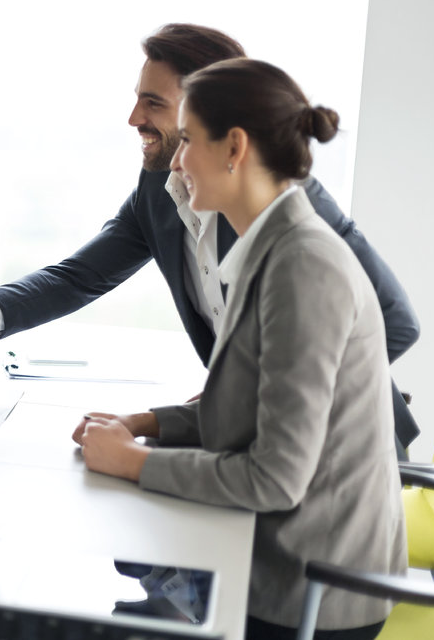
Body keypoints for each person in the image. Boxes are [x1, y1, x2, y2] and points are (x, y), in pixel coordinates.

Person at [0, 23, 420, 457]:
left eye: (152, 103)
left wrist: (265, 397)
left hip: (339, 455)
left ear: (207, 110)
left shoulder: (292, 207)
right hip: (248, 447)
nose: (134, 119)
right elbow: (80, 276)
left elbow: (394, 325)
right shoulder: (162, 188)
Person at [75, 58, 405, 640]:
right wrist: (142, 422)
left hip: (308, 591)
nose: (175, 161)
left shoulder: (303, 265)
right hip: (277, 560)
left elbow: (276, 479)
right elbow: (250, 407)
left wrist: (134, 460)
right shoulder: (271, 247)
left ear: (234, 147)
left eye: (189, 142)